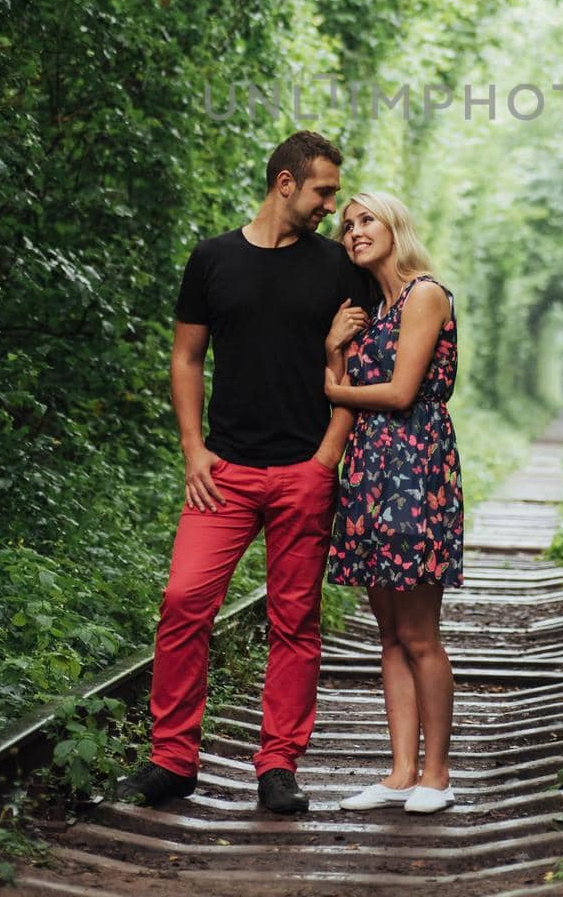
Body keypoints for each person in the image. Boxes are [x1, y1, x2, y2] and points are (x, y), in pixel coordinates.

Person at [117, 131, 375, 815]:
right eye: (323, 190)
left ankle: (278, 765)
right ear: (285, 183)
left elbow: (358, 367)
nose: (332, 204)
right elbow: (186, 357)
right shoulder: (213, 259)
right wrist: (193, 448)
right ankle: (173, 759)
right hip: (223, 471)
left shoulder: (337, 269)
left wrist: (328, 457)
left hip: (303, 469)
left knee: (296, 620)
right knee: (182, 603)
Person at [323, 190, 463, 815]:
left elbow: (403, 392)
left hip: (414, 470)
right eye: (346, 225)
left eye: (366, 219)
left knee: (419, 633)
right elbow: (350, 388)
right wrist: (334, 349)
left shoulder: (424, 294)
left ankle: (437, 775)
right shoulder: (369, 313)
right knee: (388, 634)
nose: (354, 231)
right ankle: (400, 772)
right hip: (368, 471)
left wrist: (331, 385)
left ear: (395, 224)